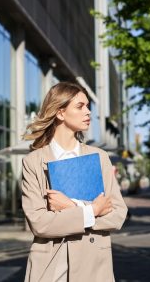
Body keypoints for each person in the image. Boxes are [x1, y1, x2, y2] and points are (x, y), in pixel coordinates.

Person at [20, 82, 128, 282]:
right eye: (80, 106)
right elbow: (40, 223)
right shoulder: (34, 162)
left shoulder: (99, 157)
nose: (88, 112)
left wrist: (71, 206)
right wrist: (92, 210)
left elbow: (118, 214)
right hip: (51, 266)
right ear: (60, 113)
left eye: (88, 106)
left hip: (94, 264)